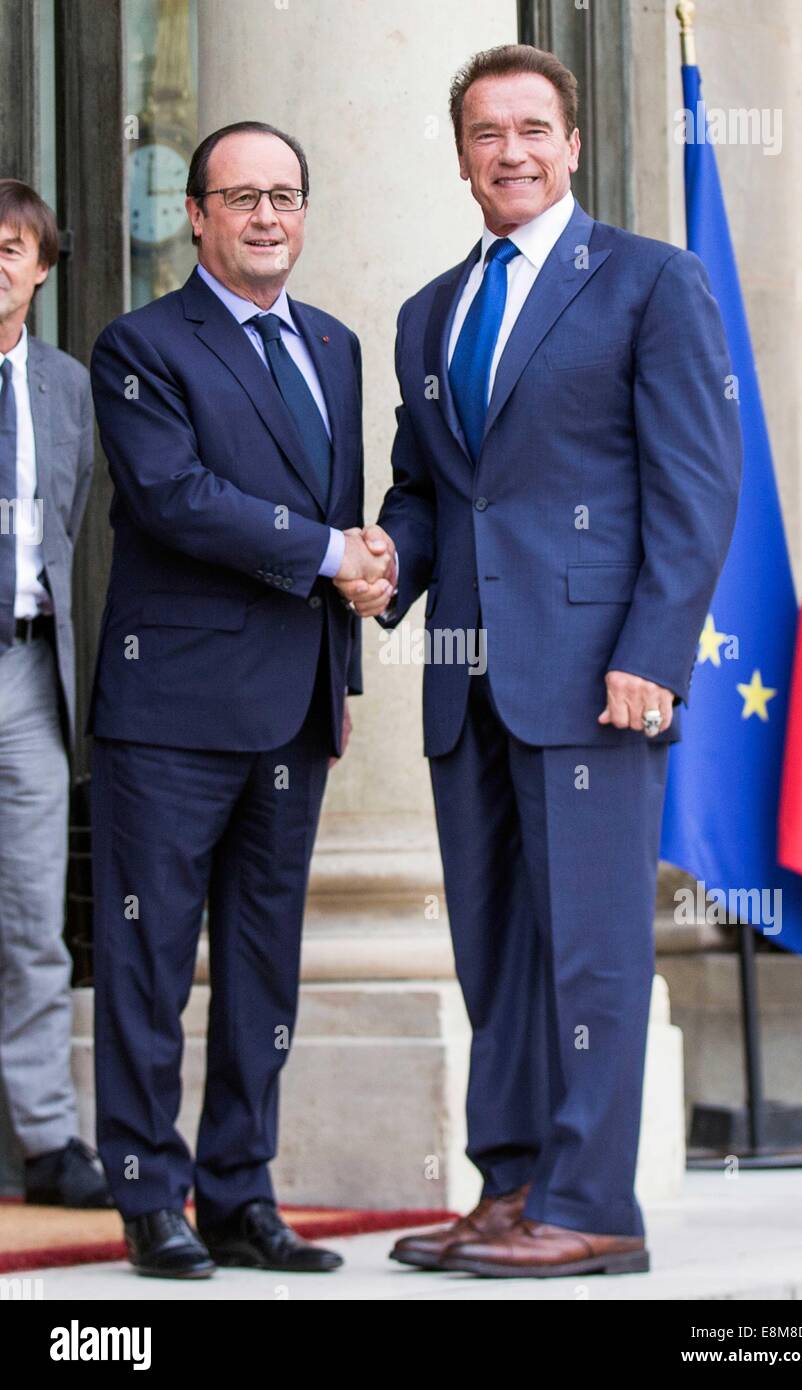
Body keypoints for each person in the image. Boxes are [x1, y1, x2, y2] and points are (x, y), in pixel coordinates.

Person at [340, 45, 742, 1278]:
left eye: (531, 129)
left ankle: (592, 1205)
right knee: (494, 946)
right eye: (483, 132)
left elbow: (695, 486)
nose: (508, 152)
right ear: (458, 151)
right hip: (466, 682)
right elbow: (429, 492)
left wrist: (652, 654)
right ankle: (509, 1187)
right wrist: (383, 558)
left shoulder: (647, 283)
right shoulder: (428, 311)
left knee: (592, 948)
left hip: (595, 682)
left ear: (570, 144)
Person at [88, 122, 390, 1279]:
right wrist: (328, 550)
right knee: (148, 965)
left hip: (294, 710)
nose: (267, 216)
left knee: (263, 968)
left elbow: (341, 503)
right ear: (198, 217)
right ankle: (149, 1198)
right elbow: (176, 498)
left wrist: (342, 677)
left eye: (286, 196)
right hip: (169, 714)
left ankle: (240, 1193)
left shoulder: (336, 344)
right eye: (242, 197)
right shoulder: (140, 345)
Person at [0, 179, 108, 1209]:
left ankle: (44, 1139)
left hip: (30, 669)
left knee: (33, 915)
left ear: (41, 267)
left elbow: (68, 532)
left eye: (10, 246)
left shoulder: (68, 388)